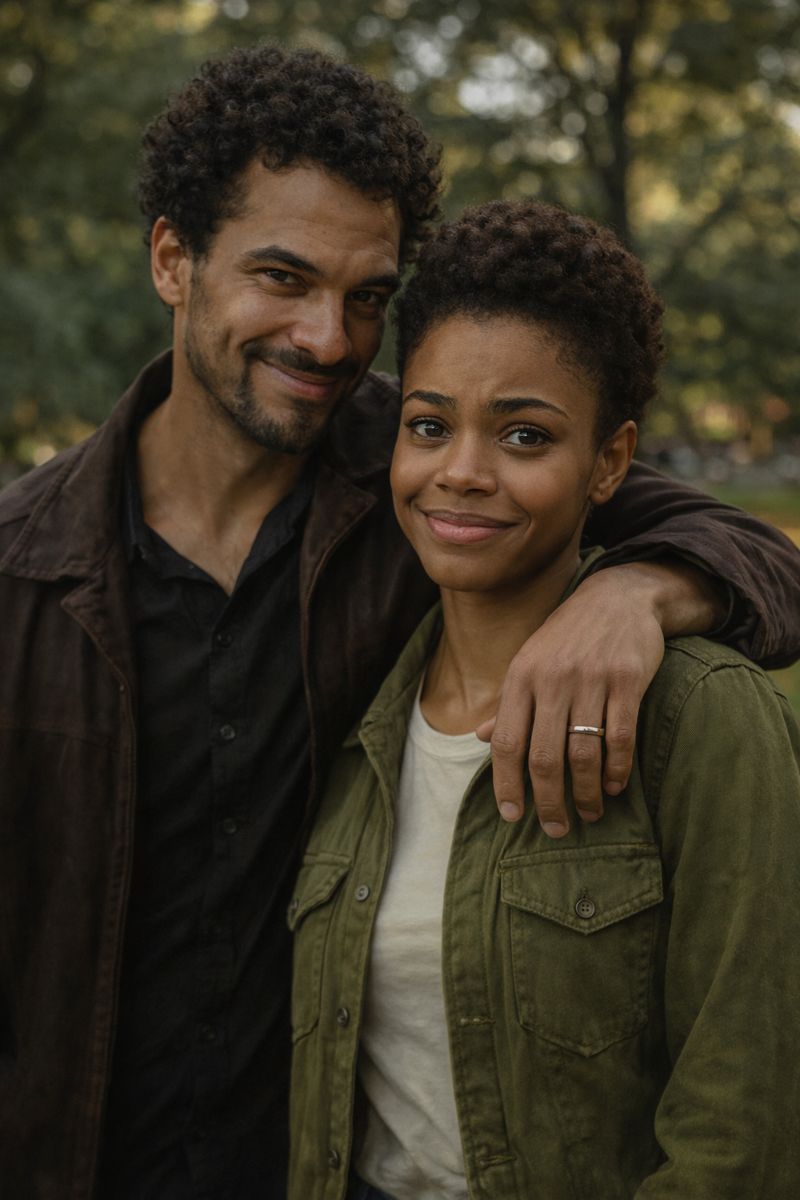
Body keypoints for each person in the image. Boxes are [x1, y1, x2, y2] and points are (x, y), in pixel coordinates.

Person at [0, 43, 798, 1200]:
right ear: (172, 258)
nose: (327, 340)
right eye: (282, 277)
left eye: (365, 297)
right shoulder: (21, 574)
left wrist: (633, 591)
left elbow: (755, 555)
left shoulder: (415, 472)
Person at [287, 200, 800, 1199]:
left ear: (609, 460)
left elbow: (739, 1134)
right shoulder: (352, 713)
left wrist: (635, 588)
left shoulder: (702, 720)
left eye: (523, 435)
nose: (460, 473)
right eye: (428, 426)